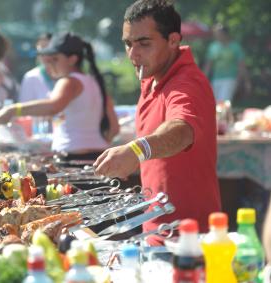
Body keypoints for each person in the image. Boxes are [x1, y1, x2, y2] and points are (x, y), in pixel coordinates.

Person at [93, 0, 221, 245]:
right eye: (128, 44)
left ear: (173, 40)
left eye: (144, 43)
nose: (133, 53)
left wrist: (135, 150)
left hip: (188, 237)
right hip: (158, 226)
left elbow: (182, 130)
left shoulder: (186, 83)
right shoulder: (152, 77)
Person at [0, 32, 120, 160]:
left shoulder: (68, 81)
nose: (50, 64)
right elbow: (114, 128)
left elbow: (54, 106)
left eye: (55, 59)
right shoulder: (95, 83)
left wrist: (13, 110)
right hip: (99, 154)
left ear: (72, 59)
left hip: (72, 157)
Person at [203, 23, 251, 103]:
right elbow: (208, 65)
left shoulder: (235, 47)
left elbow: (242, 66)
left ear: (225, 34)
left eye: (219, 33)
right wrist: (202, 80)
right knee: (213, 104)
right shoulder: (213, 47)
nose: (216, 35)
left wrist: (246, 81)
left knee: (223, 103)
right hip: (216, 79)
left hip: (230, 79)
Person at [19, 33, 55, 102]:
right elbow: (24, 108)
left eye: (48, 49)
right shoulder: (31, 77)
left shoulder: (66, 76)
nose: (44, 53)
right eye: (41, 49)